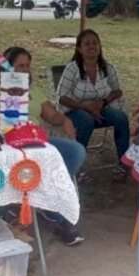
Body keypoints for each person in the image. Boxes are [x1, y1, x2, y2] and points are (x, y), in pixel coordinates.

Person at [2, 46, 85, 245]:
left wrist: (64, 120)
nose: (25, 70)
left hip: (36, 140)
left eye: (28, 66)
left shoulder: (35, 92)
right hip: (9, 143)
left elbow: (52, 115)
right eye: (20, 66)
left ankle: (45, 201)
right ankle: (53, 212)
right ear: (8, 68)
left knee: (76, 151)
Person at [56, 29, 130, 181]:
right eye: (87, 43)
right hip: (74, 110)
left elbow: (118, 91)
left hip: (100, 109)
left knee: (121, 118)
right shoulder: (73, 68)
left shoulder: (107, 67)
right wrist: (86, 107)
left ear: (100, 46)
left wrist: (102, 103)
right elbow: (61, 97)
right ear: (79, 48)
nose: (92, 46)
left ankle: (123, 164)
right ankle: (77, 166)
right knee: (85, 120)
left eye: (95, 43)